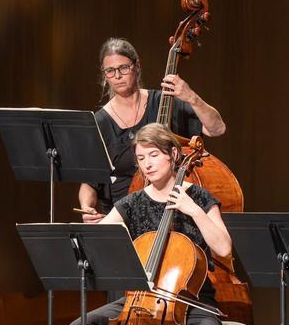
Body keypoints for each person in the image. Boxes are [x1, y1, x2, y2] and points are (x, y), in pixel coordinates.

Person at [56, 123, 234, 325]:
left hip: (188, 298)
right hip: (139, 297)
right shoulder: (133, 202)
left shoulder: (200, 197)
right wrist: (96, 232)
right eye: (141, 158)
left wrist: (194, 211)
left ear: (174, 156)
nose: (147, 164)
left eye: (154, 155)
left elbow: (223, 248)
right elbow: (98, 245)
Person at [78, 37, 226, 223]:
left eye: (124, 68)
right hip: (122, 218)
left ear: (136, 65)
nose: (117, 76)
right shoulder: (99, 123)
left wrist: (191, 97)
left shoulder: (165, 103)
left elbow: (217, 128)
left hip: (175, 213)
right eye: (110, 71)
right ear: (104, 74)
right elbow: (90, 181)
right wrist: (87, 207)